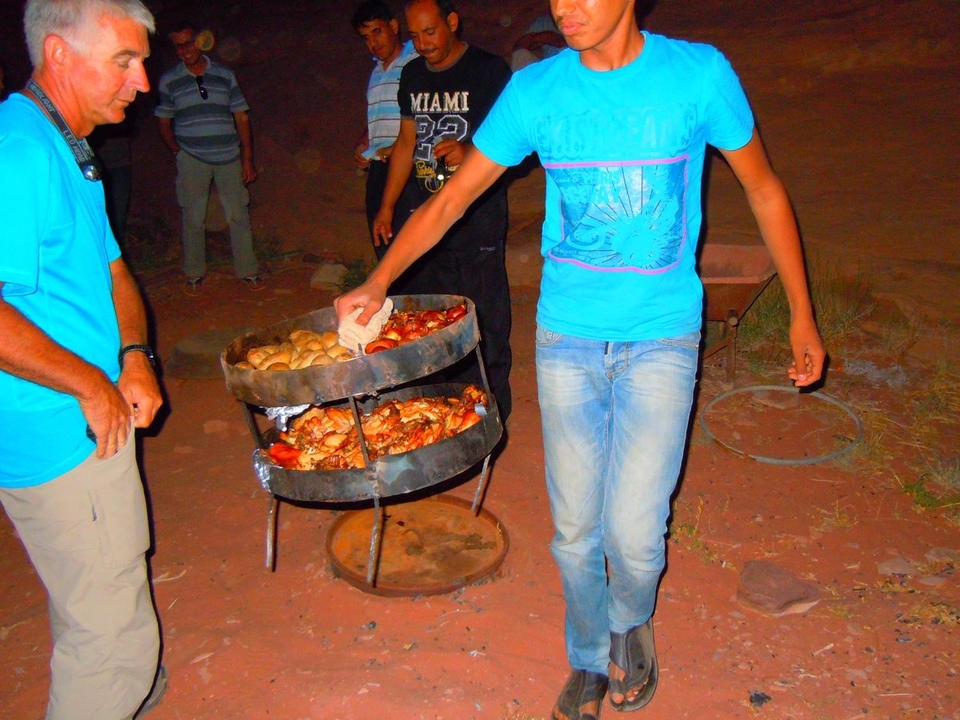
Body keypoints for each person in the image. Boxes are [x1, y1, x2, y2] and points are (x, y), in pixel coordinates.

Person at [336, 0, 826, 717]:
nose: (565, 8)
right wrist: (377, 281)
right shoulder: (537, 91)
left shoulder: (698, 75)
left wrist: (802, 317)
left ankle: (633, 624)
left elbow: (763, 186)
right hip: (567, 339)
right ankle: (589, 655)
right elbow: (453, 200)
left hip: (661, 336)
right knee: (573, 533)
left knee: (632, 530)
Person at [0, 1, 167, 718]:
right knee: (102, 621)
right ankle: (109, 687)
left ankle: (128, 680)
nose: (143, 82)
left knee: (106, 582)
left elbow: (113, 272)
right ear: (61, 55)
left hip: (89, 414)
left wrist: (132, 356)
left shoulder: (69, 145)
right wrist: (88, 382)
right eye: (125, 61)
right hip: (56, 427)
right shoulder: (20, 149)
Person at [373, 0, 514, 422]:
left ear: (451, 22)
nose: (423, 44)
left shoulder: (489, 71)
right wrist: (387, 206)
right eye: (415, 36)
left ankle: (491, 411)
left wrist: (470, 150)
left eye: (430, 32)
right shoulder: (413, 74)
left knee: (483, 317)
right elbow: (405, 144)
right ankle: (442, 409)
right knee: (428, 321)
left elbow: (513, 142)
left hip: (477, 218)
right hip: (426, 214)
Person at [155, 21, 261, 295]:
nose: (185, 50)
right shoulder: (170, 80)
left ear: (199, 42)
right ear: (176, 50)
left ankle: (248, 272)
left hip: (228, 156)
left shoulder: (224, 75)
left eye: (189, 43)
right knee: (193, 217)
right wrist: (176, 149)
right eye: (179, 46)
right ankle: (194, 274)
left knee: (238, 214)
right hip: (192, 157)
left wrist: (247, 159)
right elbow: (164, 119)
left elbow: (241, 116)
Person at [351, 0, 419, 263]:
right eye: (365, 38)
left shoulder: (415, 61)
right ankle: (392, 299)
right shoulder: (377, 71)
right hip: (379, 166)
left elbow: (424, 115)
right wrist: (362, 143)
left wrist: (397, 147)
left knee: (409, 241)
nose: (372, 43)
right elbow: (377, 118)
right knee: (383, 240)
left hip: (407, 165)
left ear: (393, 26)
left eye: (377, 32)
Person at [89, 116, 134, 246]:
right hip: (95, 166)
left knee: (118, 216)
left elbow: (129, 127)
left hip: (119, 162)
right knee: (96, 214)